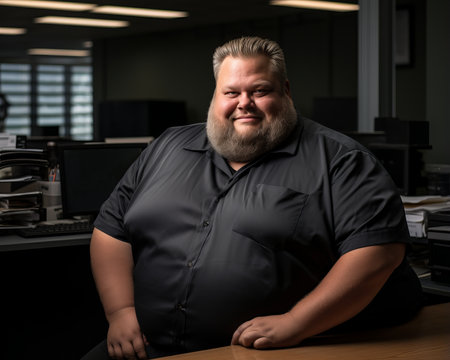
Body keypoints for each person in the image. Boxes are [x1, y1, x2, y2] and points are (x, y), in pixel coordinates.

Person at [82, 36, 422, 360]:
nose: (244, 103)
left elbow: (378, 254)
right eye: (231, 92)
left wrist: (296, 322)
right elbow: (111, 230)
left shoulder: (342, 161)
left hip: (270, 349)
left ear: (285, 91)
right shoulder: (167, 147)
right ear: (215, 96)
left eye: (259, 90)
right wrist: (120, 311)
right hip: (143, 343)